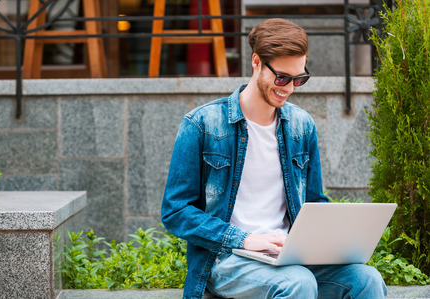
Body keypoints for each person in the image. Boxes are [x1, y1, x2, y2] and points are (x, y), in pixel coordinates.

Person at [161, 18, 387, 299]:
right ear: (256, 62)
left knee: (367, 280)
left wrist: (335, 235)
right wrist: (245, 239)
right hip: (227, 258)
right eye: (282, 77)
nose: (289, 88)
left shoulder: (302, 126)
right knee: (297, 282)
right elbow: (175, 212)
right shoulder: (202, 124)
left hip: (289, 257)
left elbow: (314, 202)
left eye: (299, 79)